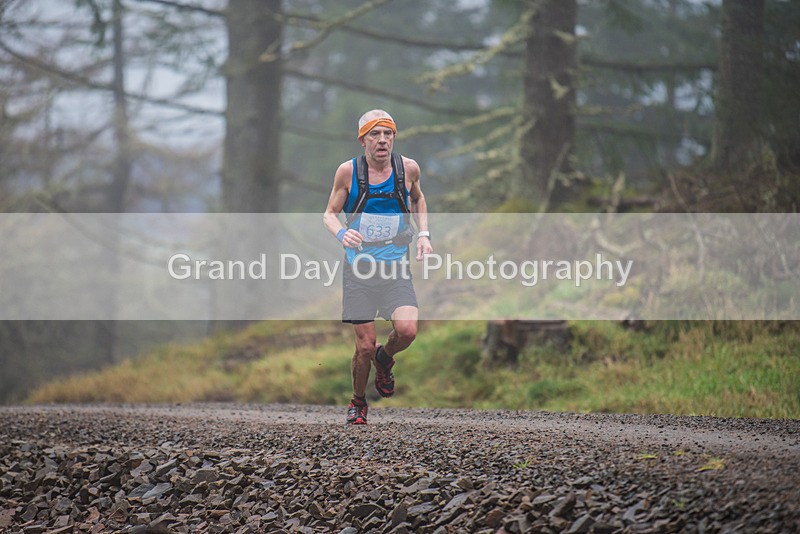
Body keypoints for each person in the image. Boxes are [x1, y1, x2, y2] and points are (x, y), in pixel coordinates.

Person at [323, 109, 433, 425]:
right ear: (363, 140)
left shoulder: (408, 169)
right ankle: (358, 402)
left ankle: (386, 360)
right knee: (365, 347)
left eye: (388, 134)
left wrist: (423, 234)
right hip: (359, 270)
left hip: (395, 267)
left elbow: (418, 199)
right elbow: (329, 214)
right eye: (375, 134)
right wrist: (343, 233)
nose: (382, 140)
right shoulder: (348, 173)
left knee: (408, 330)